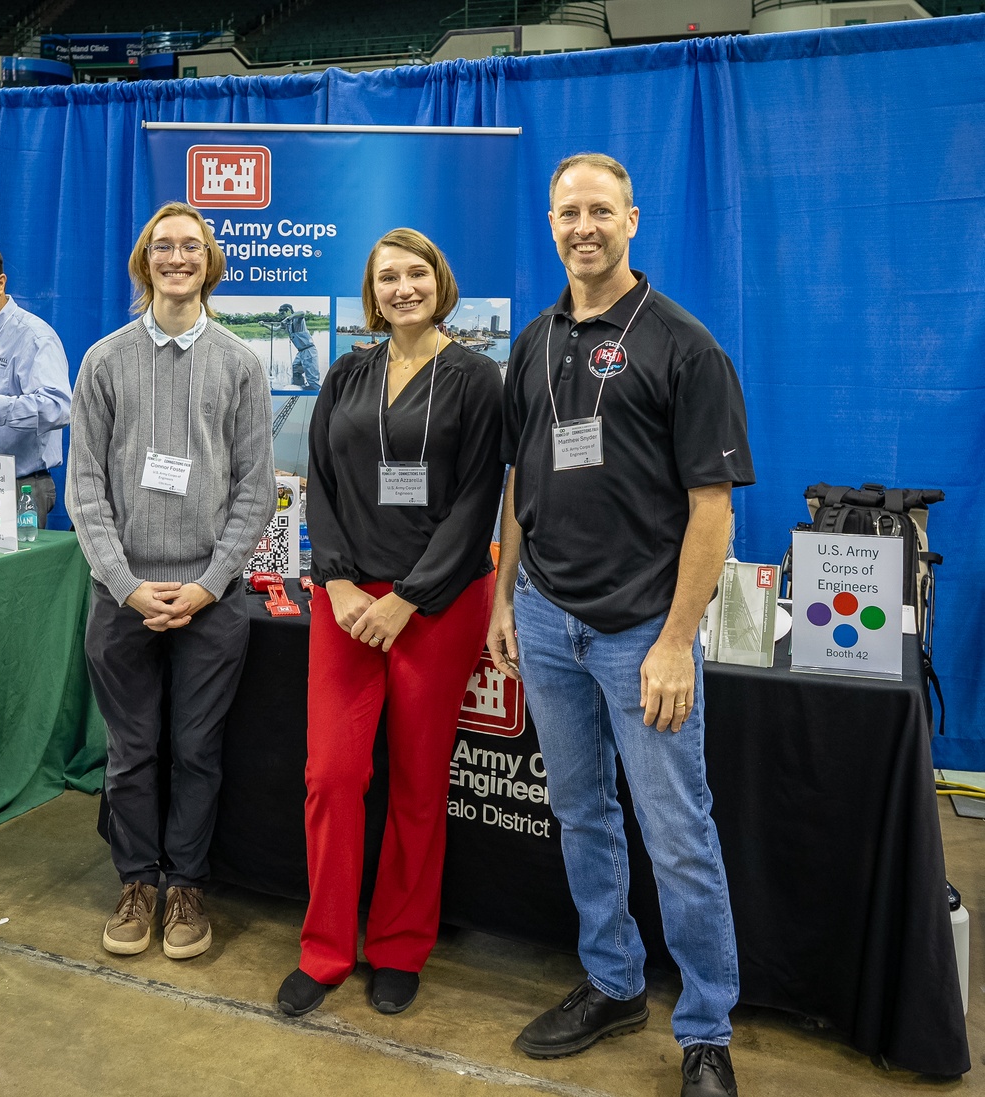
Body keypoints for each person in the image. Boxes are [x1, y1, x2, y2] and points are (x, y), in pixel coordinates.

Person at [487, 154, 755, 1097]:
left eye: (600, 209)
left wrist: (677, 640)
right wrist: (502, 597)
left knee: (677, 829)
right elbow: (521, 478)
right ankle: (611, 979)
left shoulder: (684, 345)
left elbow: (712, 509)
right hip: (546, 618)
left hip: (645, 631)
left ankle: (706, 1029)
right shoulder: (533, 341)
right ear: (551, 224)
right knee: (581, 812)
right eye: (568, 212)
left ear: (632, 220)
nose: (583, 226)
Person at [277, 228, 503, 1018]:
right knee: (332, 775)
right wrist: (335, 585)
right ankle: (327, 947)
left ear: (439, 281)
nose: (402, 287)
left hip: (435, 605)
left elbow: (479, 501)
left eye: (416, 273)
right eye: (387, 277)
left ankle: (401, 945)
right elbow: (322, 482)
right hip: (346, 601)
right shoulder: (346, 371)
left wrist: (408, 598)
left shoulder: (478, 378)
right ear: (371, 292)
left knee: (415, 781)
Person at [66, 202, 277, 960]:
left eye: (191, 246)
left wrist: (210, 583)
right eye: (164, 246)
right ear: (144, 260)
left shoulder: (241, 363)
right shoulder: (104, 360)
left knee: (195, 749)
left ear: (210, 262)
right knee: (129, 752)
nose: (177, 257)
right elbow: (84, 488)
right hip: (119, 599)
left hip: (209, 602)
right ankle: (137, 882)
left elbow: (256, 491)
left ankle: (186, 883)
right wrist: (125, 584)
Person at [0, 244, 72, 526]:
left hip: (17, 488)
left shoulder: (33, 337)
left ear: (0, 283)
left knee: (12, 571)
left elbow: (59, 407)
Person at [276, 303, 321, 389]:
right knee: (296, 367)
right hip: (301, 352)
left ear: (288, 311)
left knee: (312, 378)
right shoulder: (288, 323)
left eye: (283, 313)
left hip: (308, 350)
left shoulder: (297, 319)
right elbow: (275, 329)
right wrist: (264, 325)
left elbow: (302, 313)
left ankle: (316, 392)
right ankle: (299, 386)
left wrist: (288, 318)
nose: (282, 316)